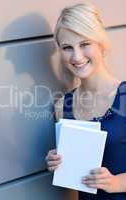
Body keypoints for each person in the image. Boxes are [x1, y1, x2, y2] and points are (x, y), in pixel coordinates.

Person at [45, 1, 126, 199]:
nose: (77, 56)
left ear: (101, 43)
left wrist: (117, 182)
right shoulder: (62, 107)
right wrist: (58, 163)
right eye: (67, 47)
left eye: (84, 44)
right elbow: (73, 181)